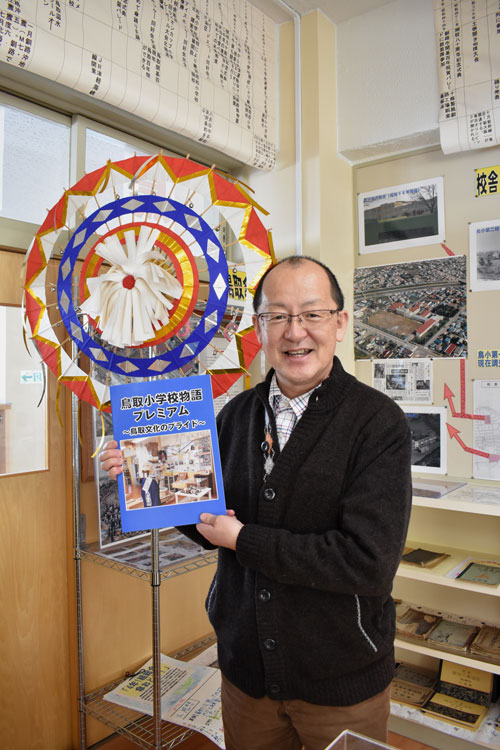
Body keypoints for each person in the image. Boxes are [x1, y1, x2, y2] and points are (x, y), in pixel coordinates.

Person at [100, 256, 412, 750]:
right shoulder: (235, 415)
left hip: (340, 677)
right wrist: (146, 476)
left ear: (340, 323)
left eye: (312, 314)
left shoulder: (378, 423)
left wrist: (244, 539)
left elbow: (367, 562)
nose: (295, 331)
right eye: (277, 316)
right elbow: (209, 524)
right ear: (259, 327)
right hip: (245, 671)